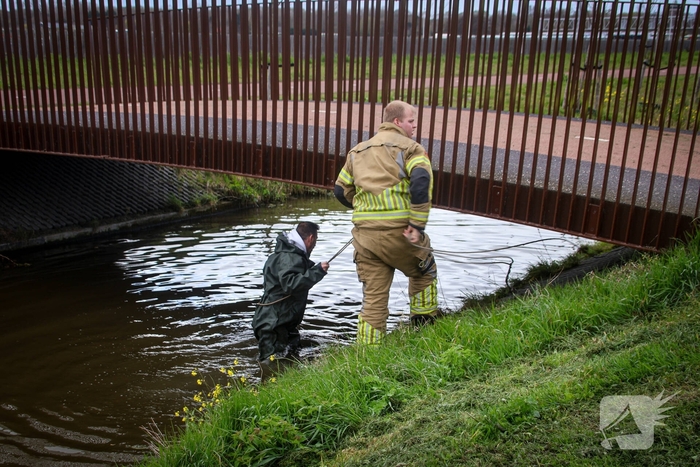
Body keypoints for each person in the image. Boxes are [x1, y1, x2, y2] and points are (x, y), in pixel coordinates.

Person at [334, 100, 439, 345]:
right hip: (401, 234)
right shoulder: (412, 149)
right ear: (397, 122)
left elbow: (340, 191)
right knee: (424, 270)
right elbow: (421, 181)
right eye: (411, 120)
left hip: (365, 239)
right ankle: (425, 332)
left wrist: (364, 209)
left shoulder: (357, 151)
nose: (414, 126)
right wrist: (417, 224)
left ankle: (368, 357)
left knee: (373, 299)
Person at [252, 221, 329, 361]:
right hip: (274, 324)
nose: (314, 245)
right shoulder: (290, 257)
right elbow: (290, 284)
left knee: (291, 357)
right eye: (315, 241)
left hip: (279, 321)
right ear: (311, 238)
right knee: (271, 366)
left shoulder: (283, 254)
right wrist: (317, 272)